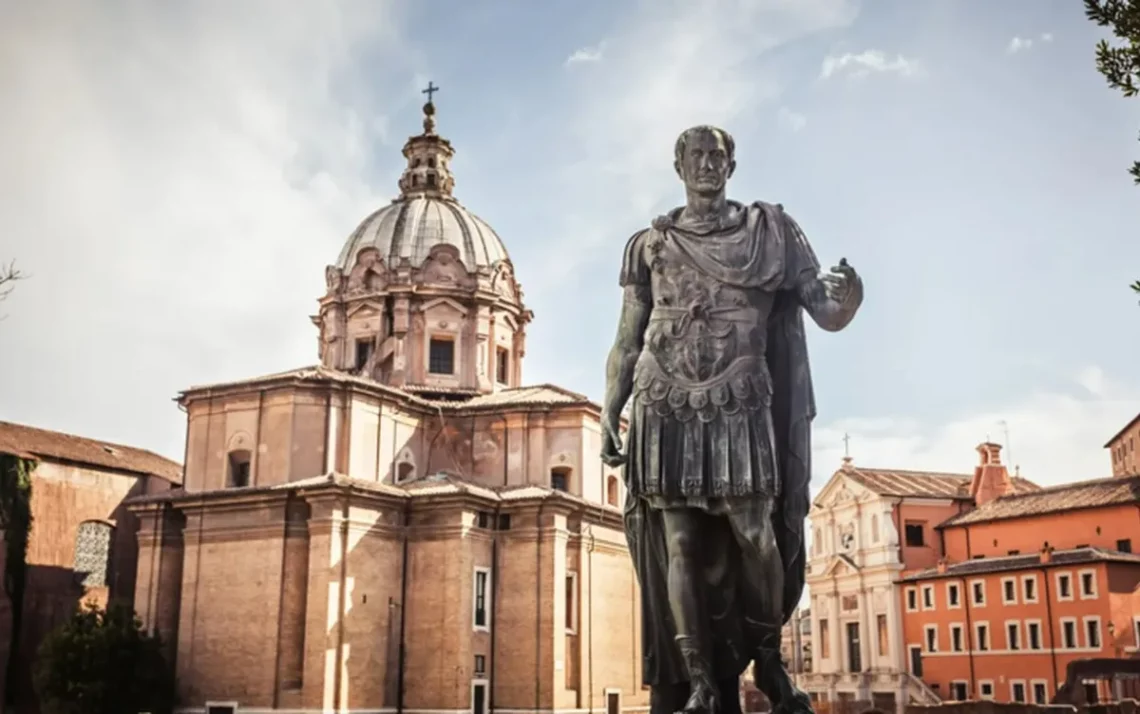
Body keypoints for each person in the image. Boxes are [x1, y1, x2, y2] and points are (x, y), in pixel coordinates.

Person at [600, 125, 863, 714]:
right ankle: (698, 680)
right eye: (695, 155)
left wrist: (847, 299)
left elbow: (824, 309)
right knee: (681, 543)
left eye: (717, 155)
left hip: (740, 395)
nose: (707, 165)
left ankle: (768, 660)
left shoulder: (771, 233)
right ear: (678, 165)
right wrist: (609, 409)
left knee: (755, 533)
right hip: (662, 400)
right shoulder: (648, 245)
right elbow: (626, 338)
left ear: (732, 164)